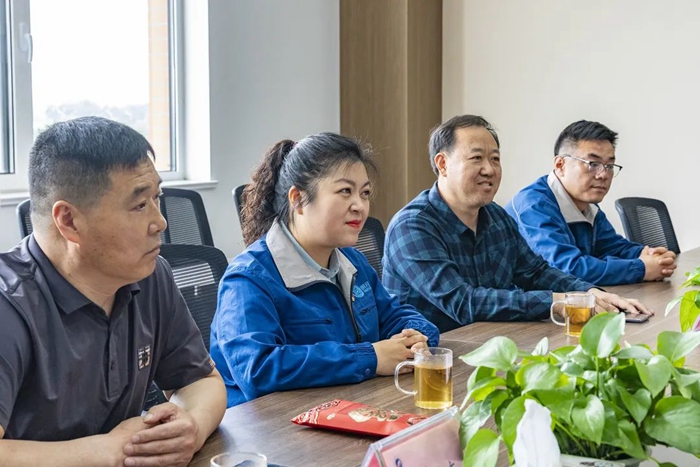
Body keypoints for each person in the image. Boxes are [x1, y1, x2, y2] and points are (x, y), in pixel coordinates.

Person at [0, 117, 226, 467]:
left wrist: (190, 426)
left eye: (157, 197)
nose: (160, 222)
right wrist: (108, 451)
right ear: (69, 221)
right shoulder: (9, 305)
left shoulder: (149, 276)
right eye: (139, 205)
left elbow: (202, 380)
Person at [210, 133, 440, 407]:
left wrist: (416, 337)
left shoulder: (353, 262)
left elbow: (394, 314)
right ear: (298, 199)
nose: (360, 206)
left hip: (345, 408)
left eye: (365, 193)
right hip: (271, 425)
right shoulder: (248, 278)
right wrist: (370, 357)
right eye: (345, 191)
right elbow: (258, 369)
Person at [382, 115, 651, 333]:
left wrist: (588, 292)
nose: (489, 169)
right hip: (427, 361)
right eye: (476, 158)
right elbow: (463, 302)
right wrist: (557, 302)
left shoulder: (495, 217)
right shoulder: (413, 226)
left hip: (491, 343)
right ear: (442, 164)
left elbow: (536, 272)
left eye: (495, 159)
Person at [505, 120, 677, 286]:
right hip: (529, 303)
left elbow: (612, 246)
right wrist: (641, 268)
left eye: (609, 166)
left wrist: (650, 254)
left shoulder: (588, 206)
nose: (603, 175)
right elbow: (565, 270)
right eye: (593, 164)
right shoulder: (533, 206)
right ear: (560, 165)